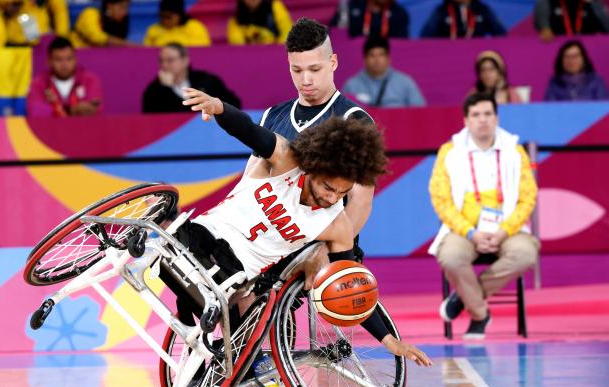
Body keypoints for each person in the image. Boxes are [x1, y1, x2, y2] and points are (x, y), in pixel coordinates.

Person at [179, 86, 432, 366]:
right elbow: (249, 130)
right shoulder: (286, 160)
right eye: (327, 187)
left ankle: (232, 366)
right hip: (205, 237)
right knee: (168, 235)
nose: (331, 197)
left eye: (341, 193)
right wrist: (219, 108)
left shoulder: (337, 226)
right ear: (312, 166)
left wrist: (389, 340)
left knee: (245, 310)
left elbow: (350, 286)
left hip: (236, 274)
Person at [250, 18, 376, 288]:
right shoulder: (273, 116)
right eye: (297, 70)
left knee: (263, 296)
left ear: (333, 63)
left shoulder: (355, 120)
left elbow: (361, 202)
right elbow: (250, 184)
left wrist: (325, 249)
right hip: (273, 238)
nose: (305, 80)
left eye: (315, 69)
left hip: (322, 238)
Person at [428, 93, 539, 340]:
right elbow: (441, 198)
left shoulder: (515, 151)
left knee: (525, 254)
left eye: (488, 114)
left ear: (497, 118)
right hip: (465, 229)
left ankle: (464, 298)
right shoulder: (450, 152)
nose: (483, 120)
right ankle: (479, 313)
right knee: (451, 256)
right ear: (466, 120)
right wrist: (471, 232)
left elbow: (527, 197)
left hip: (508, 228)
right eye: (476, 115)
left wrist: (504, 231)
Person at [142, 43, 240, 113]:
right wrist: (165, 89)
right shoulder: (154, 90)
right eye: (161, 61)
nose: (164, 65)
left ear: (185, 61)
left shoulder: (206, 80)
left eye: (170, 60)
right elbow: (154, 118)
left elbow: (234, 104)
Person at [26, 37, 103, 117]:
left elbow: (96, 110)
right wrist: (71, 110)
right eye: (59, 60)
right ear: (49, 62)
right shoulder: (39, 83)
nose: (64, 64)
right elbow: (35, 112)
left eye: (69, 59)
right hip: (51, 128)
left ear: (75, 60)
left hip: (83, 128)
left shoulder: (89, 80)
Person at [343, 36, 426, 107]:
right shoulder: (351, 85)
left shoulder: (405, 82)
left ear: (388, 58)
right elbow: (340, 115)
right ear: (365, 59)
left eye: (381, 55)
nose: (377, 60)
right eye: (372, 55)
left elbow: (420, 113)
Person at [544, 40, 609, 101]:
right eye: (567, 57)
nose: (571, 61)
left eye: (575, 56)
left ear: (584, 59)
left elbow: (603, 106)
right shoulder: (554, 83)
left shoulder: (595, 81)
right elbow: (550, 108)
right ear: (561, 61)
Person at [0, 0, 70, 46]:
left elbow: (60, 11)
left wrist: (61, 37)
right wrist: (8, 4)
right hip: (12, 40)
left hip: (39, 41)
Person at [420, 0, 506, 38]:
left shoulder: (482, 10)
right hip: (447, 55)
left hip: (476, 54)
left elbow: (502, 34)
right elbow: (425, 36)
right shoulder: (442, 10)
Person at [144, 0, 211, 47]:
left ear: (179, 15)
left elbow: (201, 51)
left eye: (168, 17)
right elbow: (147, 53)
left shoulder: (195, 27)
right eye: (162, 16)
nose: (165, 21)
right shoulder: (153, 29)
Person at [534, 0, 609, 41]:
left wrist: (594, 3)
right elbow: (544, 30)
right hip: (557, 50)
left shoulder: (592, 4)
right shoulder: (546, 3)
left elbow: (607, 29)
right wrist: (545, 29)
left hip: (589, 50)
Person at [227, 0, 292, 45]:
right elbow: (237, 46)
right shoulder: (236, 19)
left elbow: (287, 32)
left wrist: (274, 49)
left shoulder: (275, 6)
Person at [337, 0, 410, 39]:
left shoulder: (399, 13)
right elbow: (337, 37)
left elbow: (401, 44)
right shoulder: (351, 7)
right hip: (353, 56)